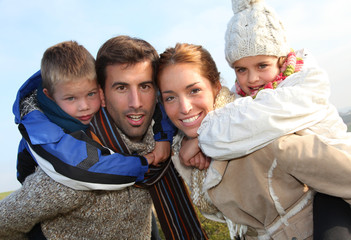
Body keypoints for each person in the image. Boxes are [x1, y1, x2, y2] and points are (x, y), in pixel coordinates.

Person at [3, 36, 207, 240]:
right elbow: (6, 221)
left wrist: (198, 141)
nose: (135, 102)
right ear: (101, 93)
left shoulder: (160, 135)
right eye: (121, 88)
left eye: (144, 86)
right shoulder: (68, 173)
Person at [156, 41, 351, 239]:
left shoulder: (256, 130)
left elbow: (350, 177)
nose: (184, 107)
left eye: (194, 90)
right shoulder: (191, 148)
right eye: (170, 97)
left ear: (216, 87)